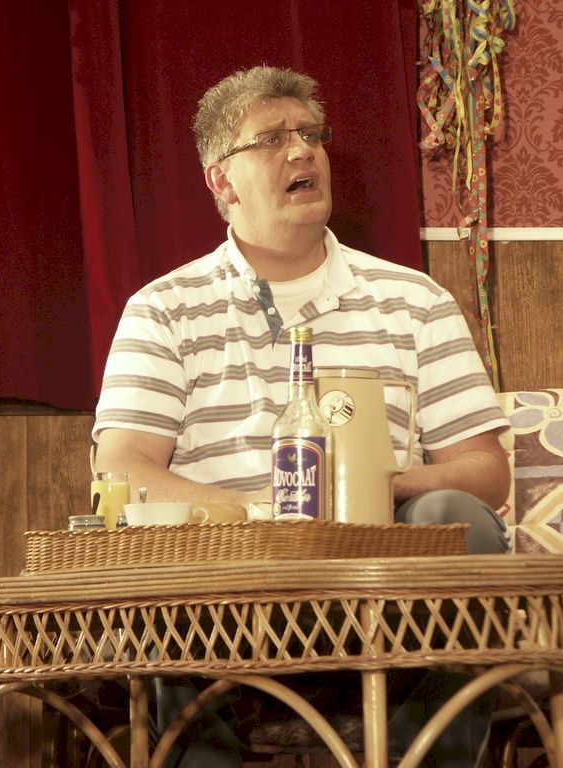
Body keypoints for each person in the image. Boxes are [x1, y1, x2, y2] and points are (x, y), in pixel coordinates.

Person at [92, 65, 511, 767]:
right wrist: (255, 515)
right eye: (272, 139)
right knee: (160, 555)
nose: (302, 150)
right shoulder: (163, 309)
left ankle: (415, 754)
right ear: (221, 182)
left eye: (311, 134)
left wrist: (386, 484)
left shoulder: (415, 301)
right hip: (222, 582)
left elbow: (488, 472)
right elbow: (122, 467)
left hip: (383, 579)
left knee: (458, 517)